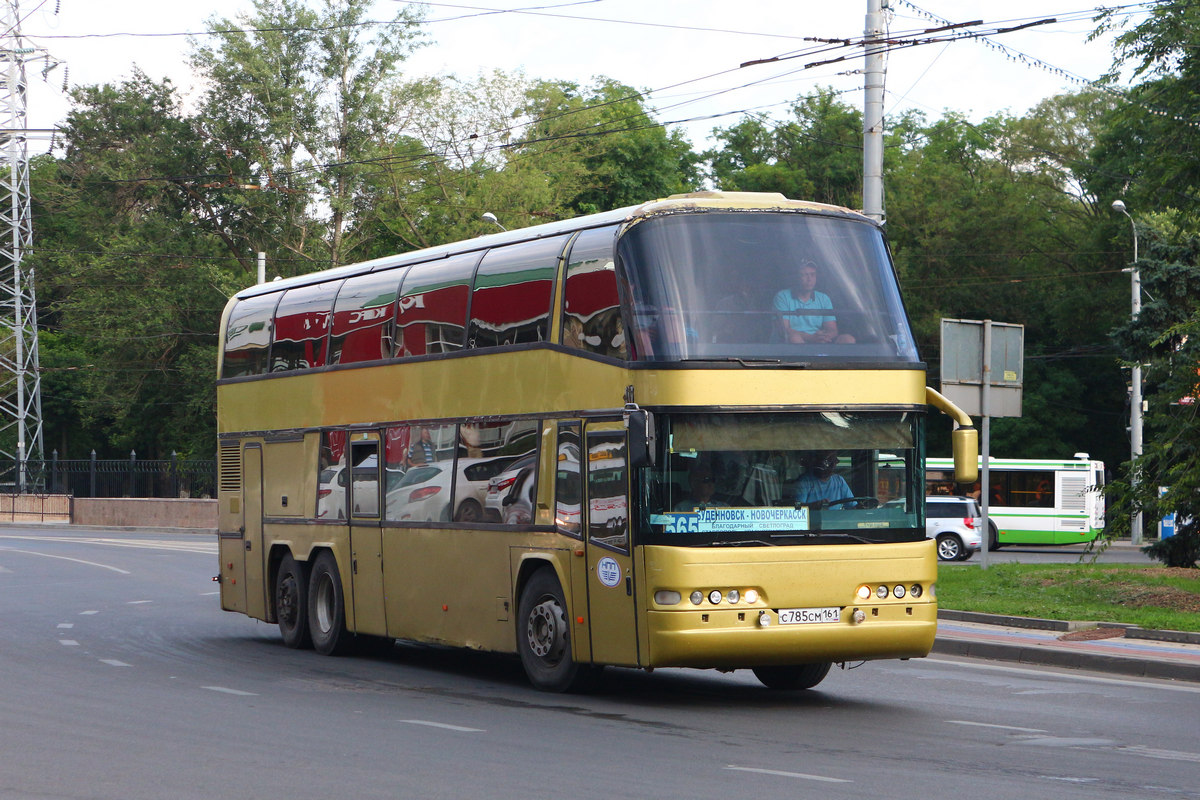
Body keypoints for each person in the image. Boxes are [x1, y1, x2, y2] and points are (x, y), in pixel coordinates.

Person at [774, 261, 856, 344]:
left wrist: (822, 337)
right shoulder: (782, 297)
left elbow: (832, 329)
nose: (809, 279)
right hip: (791, 346)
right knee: (794, 338)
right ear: (796, 277)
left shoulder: (824, 298)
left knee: (848, 339)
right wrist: (811, 337)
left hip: (818, 342)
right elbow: (784, 330)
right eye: (805, 275)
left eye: (812, 275)